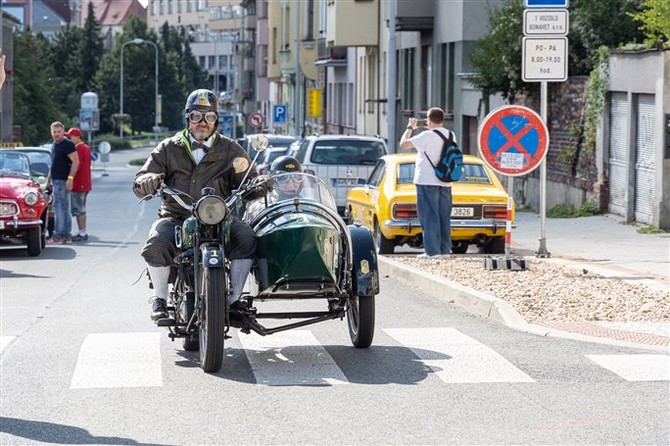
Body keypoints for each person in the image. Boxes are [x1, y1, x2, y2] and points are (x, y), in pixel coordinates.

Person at [133, 89, 271, 322]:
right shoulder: (168, 148)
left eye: (209, 117)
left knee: (246, 236)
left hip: (219, 218)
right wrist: (148, 181)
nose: (203, 123)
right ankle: (160, 299)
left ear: (216, 120)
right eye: (197, 116)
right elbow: (141, 179)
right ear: (188, 118)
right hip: (176, 216)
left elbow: (248, 180)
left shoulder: (231, 150)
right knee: (156, 243)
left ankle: (235, 299)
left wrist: (259, 184)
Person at [399, 107, 456, 258]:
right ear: (442, 119)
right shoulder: (451, 135)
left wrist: (411, 127)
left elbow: (403, 144)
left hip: (426, 180)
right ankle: (444, 251)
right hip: (446, 180)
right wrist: (428, 125)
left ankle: (432, 252)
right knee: (444, 216)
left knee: (429, 216)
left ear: (429, 120)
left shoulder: (425, 136)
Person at [47, 122, 79, 244]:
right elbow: (53, 163)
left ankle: (58, 236)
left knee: (59, 208)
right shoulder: (55, 145)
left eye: (58, 131)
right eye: (54, 132)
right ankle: (66, 235)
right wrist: (49, 179)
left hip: (63, 180)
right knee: (64, 208)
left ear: (63, 132)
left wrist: (70, 178)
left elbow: (76, 162)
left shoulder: (67, 144)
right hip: (56, 180)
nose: (56, 134)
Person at [65, 127, 92, 242]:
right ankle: (82, 231)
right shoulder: (85, 147)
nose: (69, 139)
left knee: (79, 208)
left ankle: (82, 233)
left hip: (79, 183)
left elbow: (76, 165)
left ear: (77, 137)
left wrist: (69, 177)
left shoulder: (79, 149)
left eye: (70, 137)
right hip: (84, 183)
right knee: (80, 207)